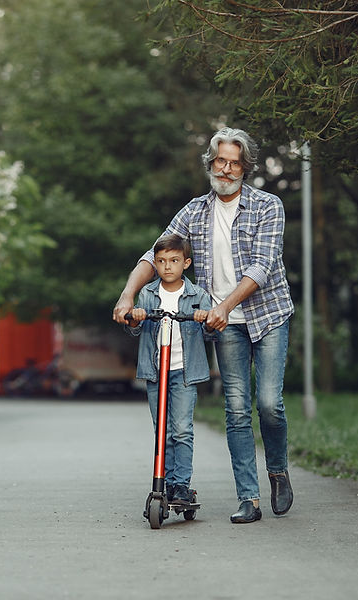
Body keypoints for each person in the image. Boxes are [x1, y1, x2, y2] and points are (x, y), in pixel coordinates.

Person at [113, 127, 295, 524]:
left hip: (267, 315)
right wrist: (128, 295)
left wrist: (225, 305)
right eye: (219, 161)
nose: (226, 169)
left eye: (234, 163)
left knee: (268, 404)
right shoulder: (195, 211)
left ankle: (278, 470)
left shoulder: (268, 206)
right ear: (210, 164)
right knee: (236, 409)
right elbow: (155, 252)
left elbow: (262, 267)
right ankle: (250, 498)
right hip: (223, 324)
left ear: (245, 168)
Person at [125, 234, 213, 508]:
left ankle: (181, 486)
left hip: (184, 373)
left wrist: (205, 319)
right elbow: (135, 328)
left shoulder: (198, 295)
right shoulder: (148, 294)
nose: (167, 267)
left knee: (182, 429)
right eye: (161, 261)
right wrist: (136, 317)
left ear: (185, 263)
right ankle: (165, 481)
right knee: (161, 429)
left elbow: (212, 333)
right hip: (156, 372)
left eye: (174, 261)